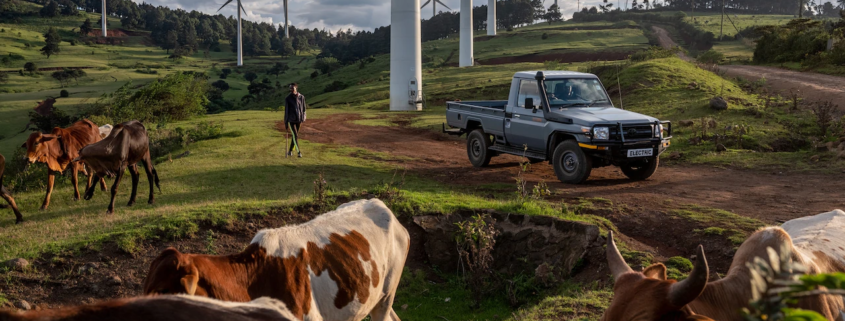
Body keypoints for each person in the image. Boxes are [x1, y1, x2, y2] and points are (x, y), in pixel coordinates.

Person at [284, 83, 306, 158]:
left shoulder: (301, 97)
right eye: (290, 88)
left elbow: (303, 108)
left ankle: (290, 151)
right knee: (295, 135)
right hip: (291, 119)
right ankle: (299, 152)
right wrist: (286, 122)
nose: (291, 90)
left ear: (296, 88)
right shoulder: (288, 98)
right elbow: (286, 111)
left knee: (295, 137)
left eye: (292, 88)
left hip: (299, 119)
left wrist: (303, 117)